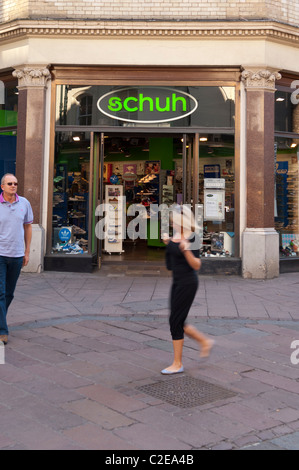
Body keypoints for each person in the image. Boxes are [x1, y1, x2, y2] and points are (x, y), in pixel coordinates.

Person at [161, 205, 214, 374]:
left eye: (174, 220)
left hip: (188, 283)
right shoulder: (176, 237)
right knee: (176, 320)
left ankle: (177, 363)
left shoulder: (192, 238)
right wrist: (169, 243)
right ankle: (204, 342)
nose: (172, 223)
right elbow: (170, 265)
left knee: (175, 321)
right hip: (177, 282)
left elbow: (197, 265)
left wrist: (186, 251)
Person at [0, 174, 33, 345]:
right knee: (0, 292)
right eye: (10, 183)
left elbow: (28, 227)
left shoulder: (24, 203)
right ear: (2, 186)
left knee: (9, 293)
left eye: (16, 183)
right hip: (0, 254)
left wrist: (27, 252)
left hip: (17, 255)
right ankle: (2, 332)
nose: (13, 186)